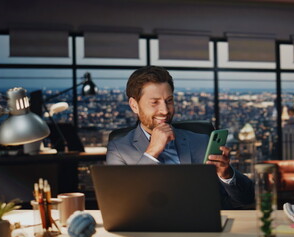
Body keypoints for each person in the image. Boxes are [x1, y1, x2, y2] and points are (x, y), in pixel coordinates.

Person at [106, 66, 255, 209]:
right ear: (134, 105)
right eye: (154, 102)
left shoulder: (201, 140)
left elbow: (247, 198)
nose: (165, 110)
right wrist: (152, 153)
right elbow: (121, 204)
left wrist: (226, 174)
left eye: (169, 101)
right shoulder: (119, 148)